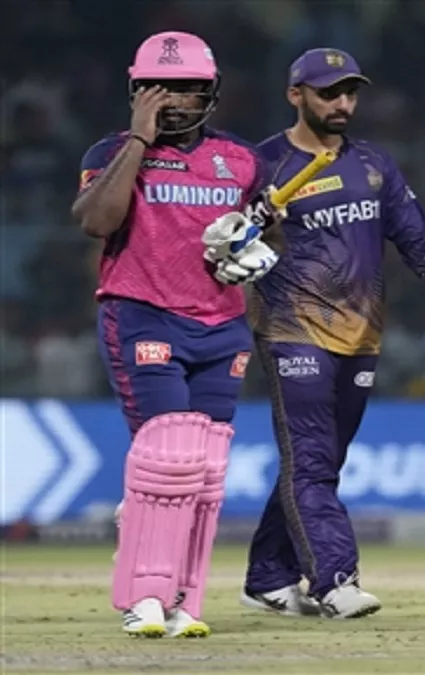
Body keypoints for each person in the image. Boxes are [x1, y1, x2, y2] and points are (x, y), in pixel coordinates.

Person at [238, 48, 425, 619]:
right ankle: (335, 579)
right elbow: (223, 245)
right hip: (292, 329)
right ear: (295, 95)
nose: (342, 103)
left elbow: (416, 234)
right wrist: (253, 229)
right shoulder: (261, 165)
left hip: (362, 333)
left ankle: (268, 574)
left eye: (349, 92)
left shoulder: (373, 163)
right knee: (312, 459)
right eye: (328, 93)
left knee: (320, 461)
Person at [72, 31, 279, 638]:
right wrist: (139, 139)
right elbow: (96, 220)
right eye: (159, 87)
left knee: (204, 470)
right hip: (144, 314)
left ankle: (184, 597)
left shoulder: (242, 160)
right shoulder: (111, 151)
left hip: (221, 325)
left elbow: (268, 236)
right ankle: (143, 597)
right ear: (137, 90)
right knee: (166, 461)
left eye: (188, 88)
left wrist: (255, 243)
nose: (174, 99)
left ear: (210, 93)